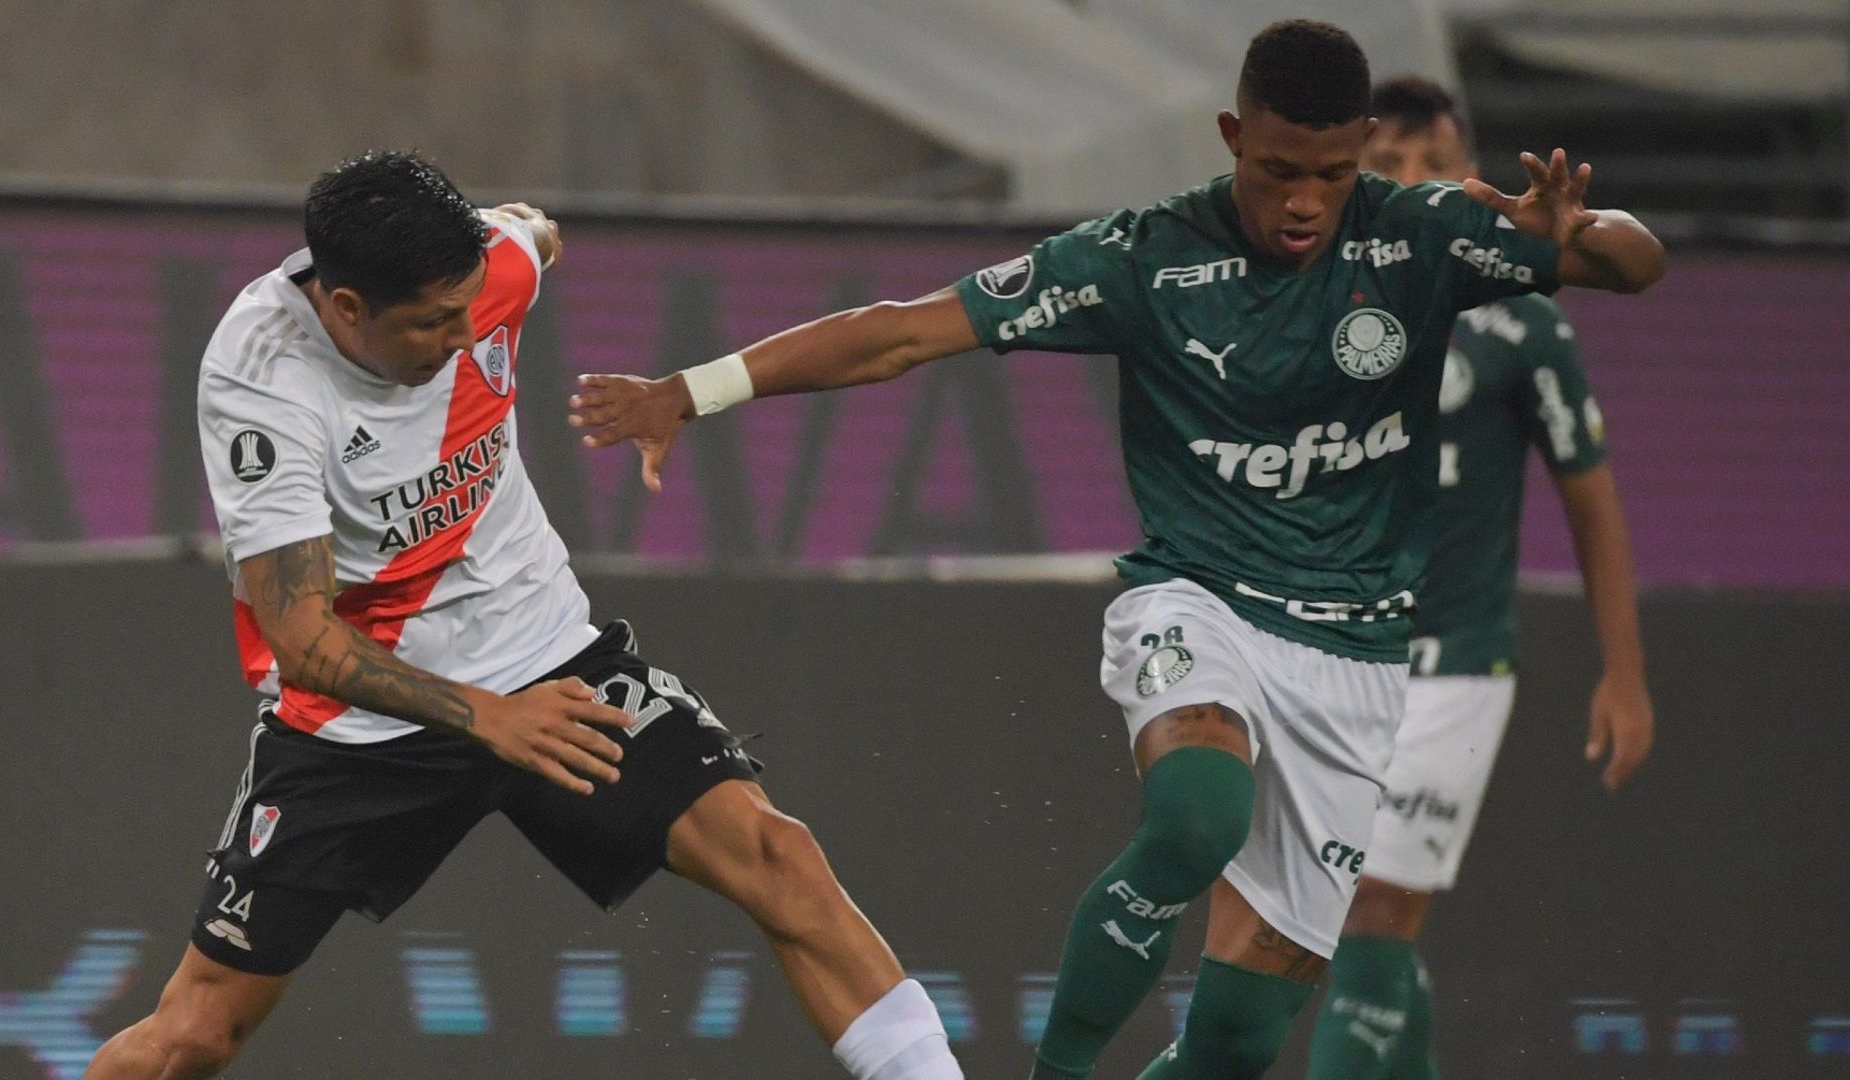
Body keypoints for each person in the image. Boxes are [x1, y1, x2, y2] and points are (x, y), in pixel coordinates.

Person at [570, 20, 1665, 1079]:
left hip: (1361, 654)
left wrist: (1575, 230)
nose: (1303, 203)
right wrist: (690, 390)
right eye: (1280, 168)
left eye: (1330, 176)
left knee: (1240, 1039)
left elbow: (1637, 268)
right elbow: (903, 331)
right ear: (1234, 136)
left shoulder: (1418, 234)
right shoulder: (1141, 257)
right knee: (1197, 815)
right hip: (1202, 601)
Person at [83, 150, 963, 1080]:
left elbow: (534, 231)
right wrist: (488, 717)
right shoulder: (261, 387)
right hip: (360, 721)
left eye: (471, 307)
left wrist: (530, 236)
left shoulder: (491, 266)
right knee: (195, 1035)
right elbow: (301, 643)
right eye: (431, 321)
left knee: (777, 856)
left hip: (547, 658)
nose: (467, 335)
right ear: (347, 310)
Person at [1301, 75, 1657, 1080]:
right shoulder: (1301, 297)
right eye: (1387, 164)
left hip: (1453, 663)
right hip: (1326, 651)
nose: (1412, 181)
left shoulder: (1521, 320)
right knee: (1334, 923)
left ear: (1467, 172)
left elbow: (1592, 500)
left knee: (1376, 904)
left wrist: (1622, 675)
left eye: (1432, 161)